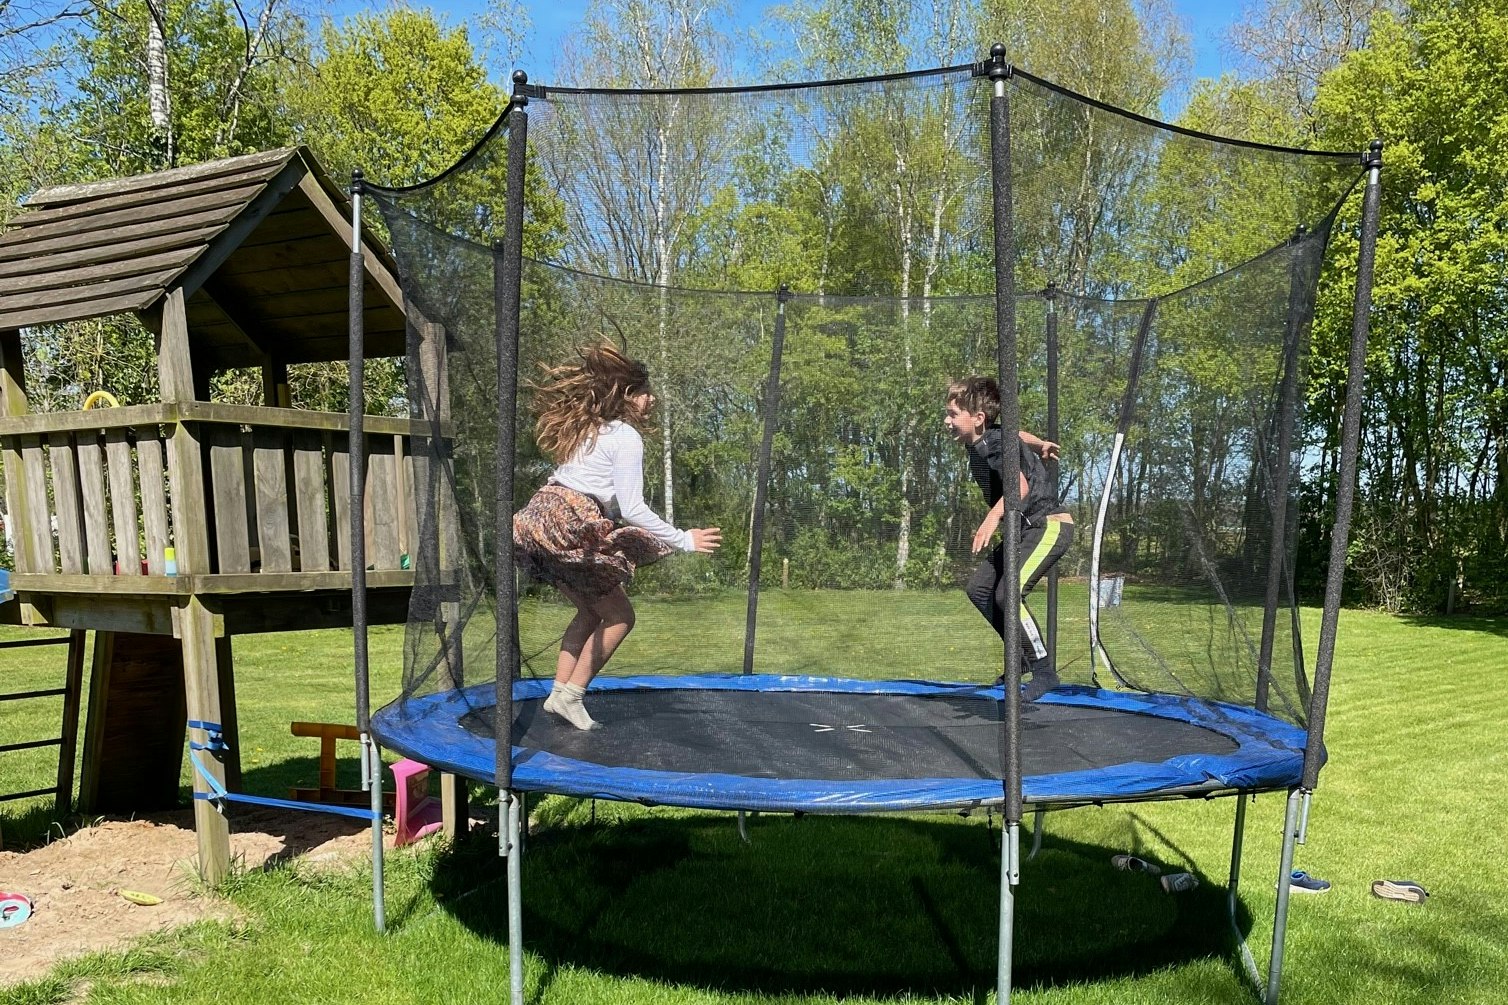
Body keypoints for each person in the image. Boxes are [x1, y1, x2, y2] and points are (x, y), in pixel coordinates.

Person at [513, 344, 721, 729]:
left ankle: (559, 694)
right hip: (567, 520)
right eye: (644, 392)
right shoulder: (625, 436)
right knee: (621, 617)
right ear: (627, 396)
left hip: (535, 519)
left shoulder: (587, 429)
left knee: (592, 611)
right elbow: (633, 508)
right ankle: (573, 695)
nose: (651, 399)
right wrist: (683, 539)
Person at [944, 376, 1074, 701]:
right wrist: (1039, 443)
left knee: (1008, 594)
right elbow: (1015, 433)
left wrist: (992, 516)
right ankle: (1019, 656)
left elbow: (1021, 487)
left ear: (977, 419)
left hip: (1048, 525)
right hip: (1025, 530)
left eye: (952, 414)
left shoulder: (993, 444)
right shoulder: (988, 439)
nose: (946, 421)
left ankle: (1044, 671)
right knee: (980, 589)